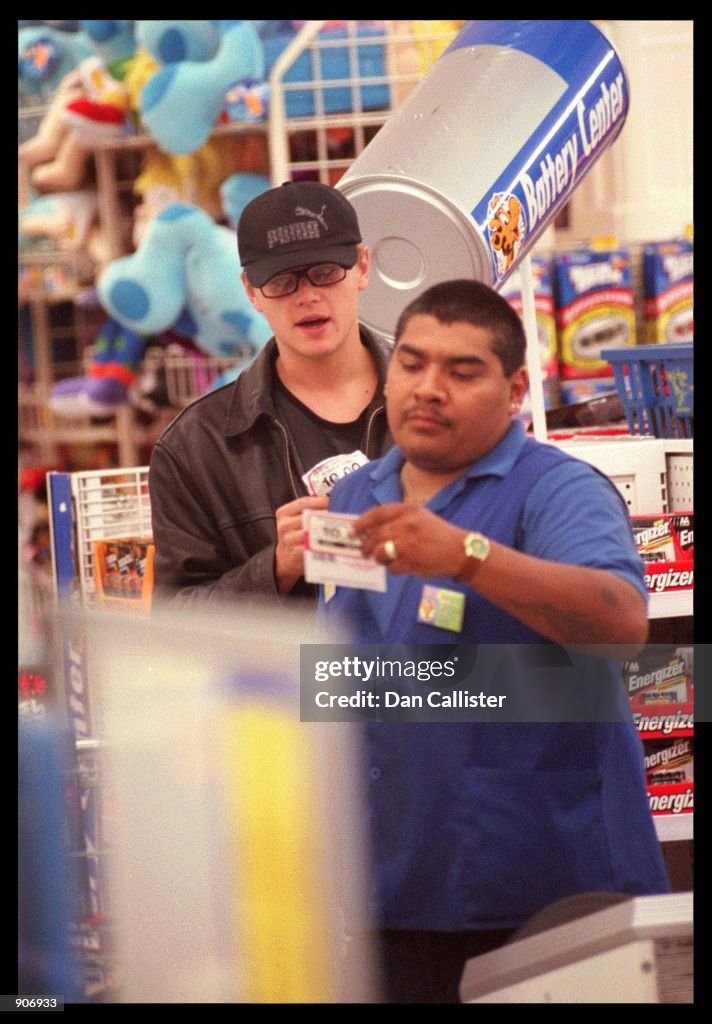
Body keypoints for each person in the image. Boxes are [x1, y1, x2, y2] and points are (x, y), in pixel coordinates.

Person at [317, 279, 670, 1003]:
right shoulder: (359, 497)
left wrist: (466, 556)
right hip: (391, 893)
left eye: (462, 371)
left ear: (514, 391)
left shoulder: (560, 490)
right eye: (412, 364)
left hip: (549, 895)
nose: (428, 388)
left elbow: (621, 624)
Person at [148, 181, 393, 606]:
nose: (308, 296)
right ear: (250, 291)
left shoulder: (437, 404)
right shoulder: (195, 447)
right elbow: (175, 622)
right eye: (281, 282)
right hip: (293, 673)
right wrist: (276, 567)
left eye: (325, 272)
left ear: (362, 267)